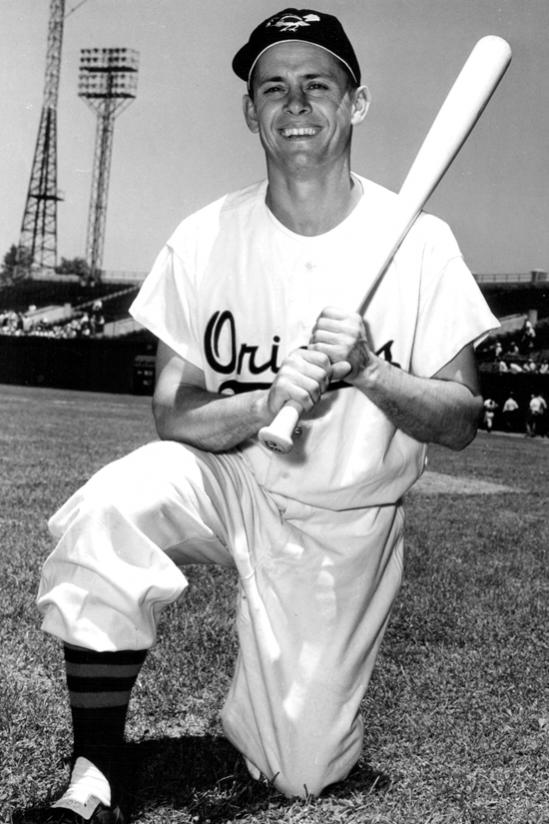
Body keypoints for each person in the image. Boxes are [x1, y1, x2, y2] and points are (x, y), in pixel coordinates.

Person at [22, 9, 499, 823]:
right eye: (273, 88)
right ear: (251, 112)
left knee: (299, 774)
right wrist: (266, 400)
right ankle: (95, 777)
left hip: (345, 520)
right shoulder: (207, 236)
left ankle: (272, 711)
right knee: (111, 506)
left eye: (318, 85)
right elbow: (173, 414)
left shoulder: (419, 241)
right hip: (231, 480)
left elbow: (459, 418)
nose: (295, 104)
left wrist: (370, 371)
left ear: (355, 103)